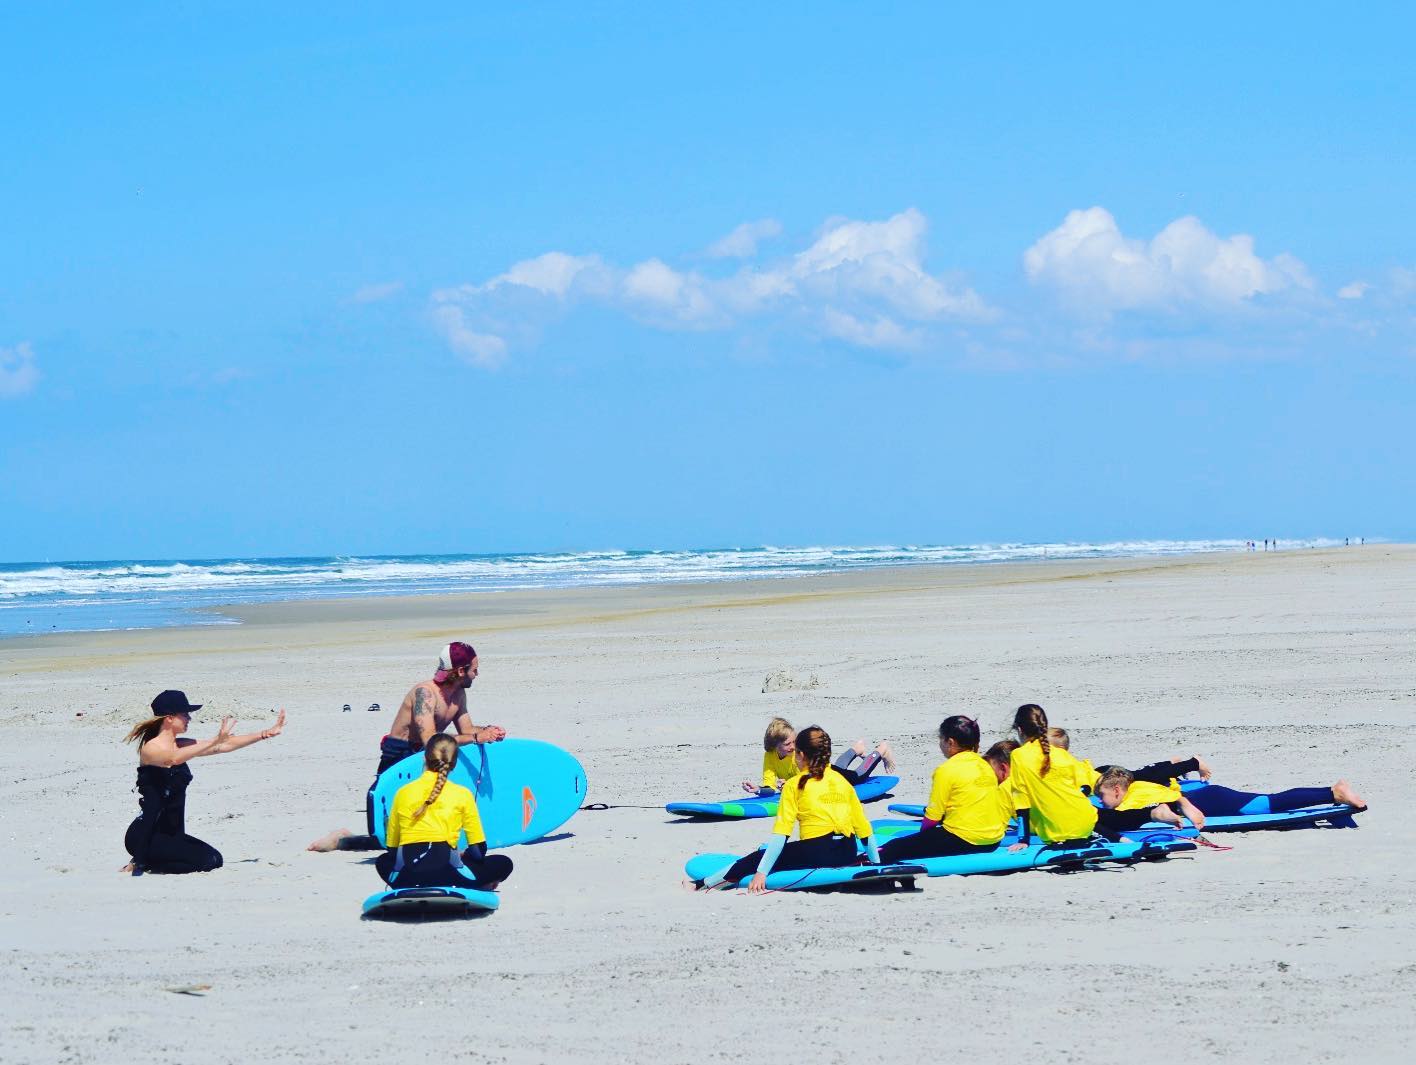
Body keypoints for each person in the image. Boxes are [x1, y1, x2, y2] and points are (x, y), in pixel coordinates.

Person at [308, 641, 506, 851]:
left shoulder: (458, 694)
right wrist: (476, 738)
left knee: (418, 825)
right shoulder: (425, 694)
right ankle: (341, 839)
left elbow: (466, 729)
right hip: (399, 754)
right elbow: (430, 739)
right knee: (387, 836)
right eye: (474, 670)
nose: (477, 674)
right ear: (460, 670)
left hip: (423, 755)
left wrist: (489, 731)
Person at [701, 726, 882, 893]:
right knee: (796, 851)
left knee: (756, 858)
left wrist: (762, 873)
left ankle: (704, 884)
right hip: (847, 852)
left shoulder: (795, 784)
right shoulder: (843, 782)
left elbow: (781, 835)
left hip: (816, 853)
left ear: (801, 755)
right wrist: (876, 866)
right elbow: (865, 831)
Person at [122, 689, 286, 875]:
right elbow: (172, 759)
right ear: (169, 718)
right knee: (206, 861)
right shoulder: (151, 749)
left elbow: (222, 746)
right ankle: (145, 861)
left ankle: (151, 861)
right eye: (185, 714)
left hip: (169, 834)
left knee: (215, 858)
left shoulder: (181, 744)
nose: (189, 718)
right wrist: (215, 740)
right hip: (145, 834)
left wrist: (265, 733)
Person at [376, 734, 513, 891]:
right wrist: (464, 856)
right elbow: (478, 852)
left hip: (407, 878)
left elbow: (392, 851)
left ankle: (415, 884)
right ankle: (478, 885)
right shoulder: (462, 793)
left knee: (382, 861)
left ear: (424, 759)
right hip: (450, 876)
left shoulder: (402, 793)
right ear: (453, 765)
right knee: (504, 862)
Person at [879, 716, 1012, 862]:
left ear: (950, 742)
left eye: (940, 739)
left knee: (894, 847)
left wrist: (922, 839)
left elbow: (932, 818)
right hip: (993, 841)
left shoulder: (946, 770)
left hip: (966, 841)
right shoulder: (985, 766)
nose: (940, 744)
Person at [1098, 757, 1366, 821]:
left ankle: (1333, 792)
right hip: (1208, 795)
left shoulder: (1130, 801)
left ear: (1118, 791)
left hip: (1210, 801)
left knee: (1268, 805)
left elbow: (1162, 807)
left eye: (1103, 795)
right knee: (1267, 800)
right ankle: (1331, 791)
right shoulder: (1138, 785)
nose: (1101, 800)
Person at [1007, 703, 1098, 846]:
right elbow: (1085, 788)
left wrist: (1023, 840)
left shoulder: (1018, 755)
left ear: (1019, 729)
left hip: (1056, 832)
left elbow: (1021, 801)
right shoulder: (1062, 754)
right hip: (1087, 823)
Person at [741, 716, 894, 795]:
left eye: (794, 741)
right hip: (819, 773)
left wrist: (789, 784)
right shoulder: (769, 756)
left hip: (824, 772)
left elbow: (809, 780)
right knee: (839, 766)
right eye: (787, 744)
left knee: (857, 776)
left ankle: (881, 750)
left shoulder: (798, 753)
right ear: (775, 745)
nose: (793, 747)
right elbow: (770, 785)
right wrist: (759, 790)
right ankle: (856, 749)